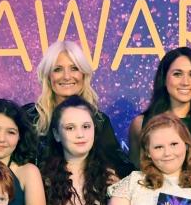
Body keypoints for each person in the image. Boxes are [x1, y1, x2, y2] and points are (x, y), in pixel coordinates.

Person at [26, 39, 132, 175]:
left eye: (74, 68)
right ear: (48, 76)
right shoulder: (29, 117)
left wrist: (116, 179)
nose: (67, 76)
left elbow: (121, 165)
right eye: (58, 69)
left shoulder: (99, 121)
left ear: (83, 74)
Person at [128, 47, 191, 174]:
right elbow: (135, 175)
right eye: (177, 74)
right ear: (164, 79)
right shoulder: (141, 124)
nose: (185, 82)